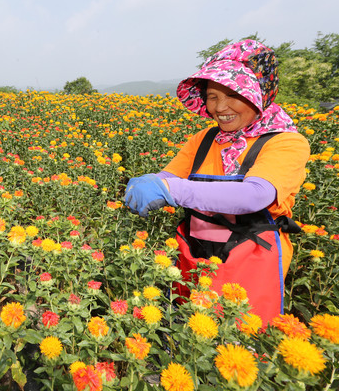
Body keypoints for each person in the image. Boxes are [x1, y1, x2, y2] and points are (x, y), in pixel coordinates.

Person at [124, 39, 310, 324]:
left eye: (233, 93)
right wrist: (148, 182)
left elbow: (254, 196)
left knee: (241, 344)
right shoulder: (205, 139)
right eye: (212, 96)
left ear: (258, 95)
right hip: (195, 254)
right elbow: (168, 177)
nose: (220, 106)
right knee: (189, 339)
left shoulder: (286, 142)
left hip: (252, 259)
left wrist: (172, 189)